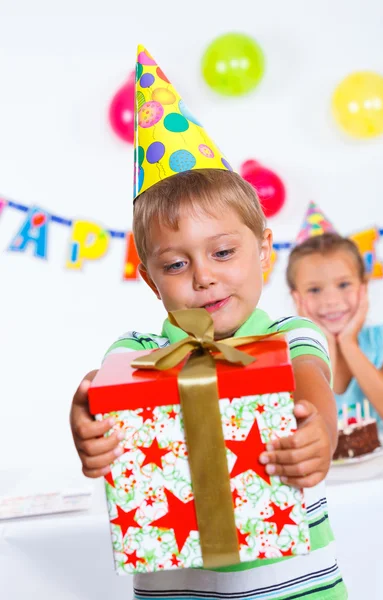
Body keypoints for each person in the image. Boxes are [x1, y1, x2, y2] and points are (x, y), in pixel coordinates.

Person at [70, 45, 347, 599]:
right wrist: (83, 421)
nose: (204, 278)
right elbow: (100, 394)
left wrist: (318, 431)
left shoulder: (291, 335)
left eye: (223, 253)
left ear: (264, 250)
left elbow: (313, 387)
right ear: (150, 279)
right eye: (176, 264)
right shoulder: (137, 350)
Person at [287, 211, 383, 431]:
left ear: (363, 288)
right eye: (314, 289)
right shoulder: (290, 351)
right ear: (297, 298)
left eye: (344, 285)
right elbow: (309, 425)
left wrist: (348, 343)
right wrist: (324, 341)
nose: (331, 301)